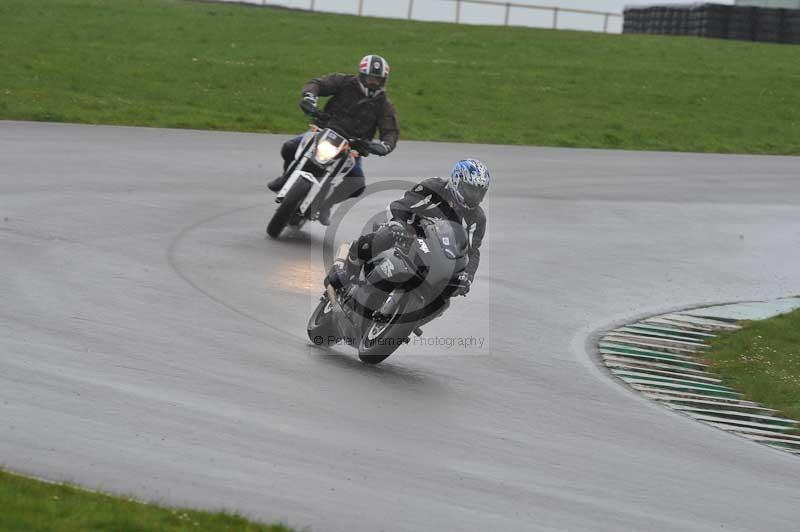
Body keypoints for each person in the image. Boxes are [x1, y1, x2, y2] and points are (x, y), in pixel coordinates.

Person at [326, 158, 490, 305]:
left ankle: (409, 316)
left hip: (435, 253)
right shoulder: (433, 188)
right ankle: (347, 273)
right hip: (407, 233)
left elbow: (472, 251)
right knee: (383, 237)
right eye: (470, 189)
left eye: (478, 192)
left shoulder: (477, 218)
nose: (473, 196)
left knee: (444, 295)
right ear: (456, 181)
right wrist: (399, 225)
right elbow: (400, 206)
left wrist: (468, 276)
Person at [268, 54, 400, 225]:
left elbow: (390, 130)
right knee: (289, 147)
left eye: (378, 80)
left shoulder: (384, 105)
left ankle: (326, 205)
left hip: (354, 147)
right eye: (370, 78)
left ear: (384, 81)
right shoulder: (344, 82)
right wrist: (309, 97)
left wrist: (384, 146)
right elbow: (318, 84)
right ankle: (286, 177)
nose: (373, 83)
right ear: (361, 75)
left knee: (357, 183)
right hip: (324, 130)